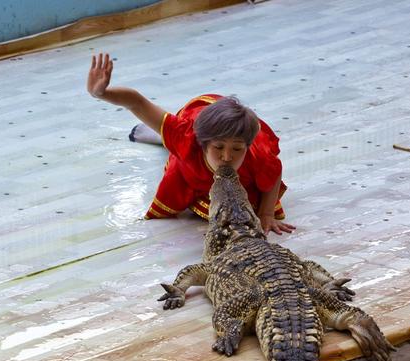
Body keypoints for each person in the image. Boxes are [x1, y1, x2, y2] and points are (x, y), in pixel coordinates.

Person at [87, 53, 295, 235]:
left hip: (230, 125)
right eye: (219, 148)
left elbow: (274, 172)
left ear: (247, 147)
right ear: (203, 145)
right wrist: (101, 93)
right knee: (176, 149)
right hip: (195, 124)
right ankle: (162, 137)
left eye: (237, 149)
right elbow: (138, 103)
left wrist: (266, 213)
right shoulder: (187, 137)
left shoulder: (258, 153)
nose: (227, 157)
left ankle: (163, 134)